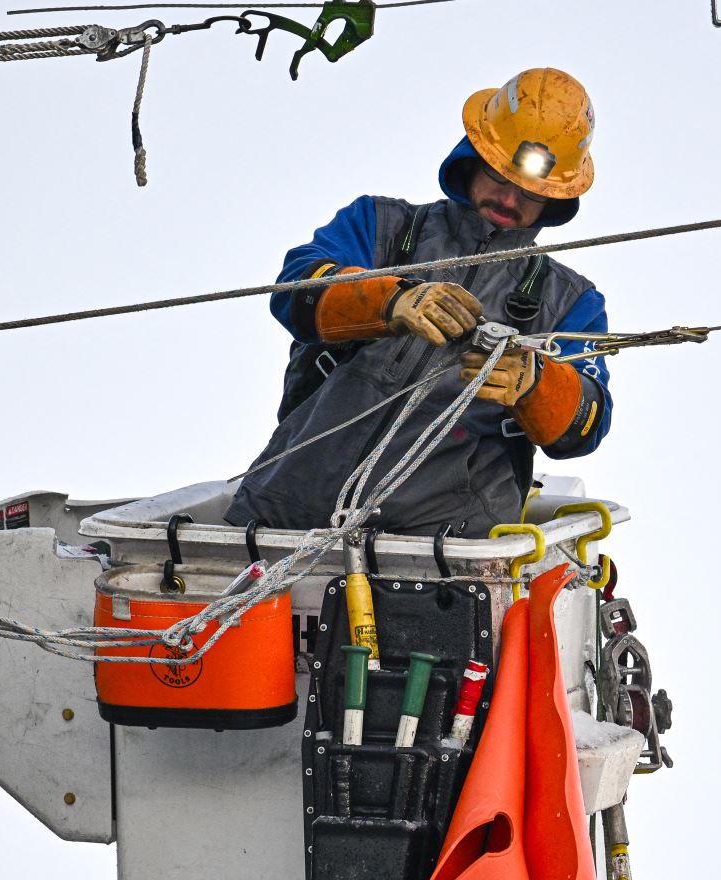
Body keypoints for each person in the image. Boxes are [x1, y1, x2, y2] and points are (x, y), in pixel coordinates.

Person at [225, 68, 613, 537]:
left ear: (553, 199)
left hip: (443, 554)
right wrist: (390, 303)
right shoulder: (381, 226)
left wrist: (534, 383)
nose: (510, 199)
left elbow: (587, 425)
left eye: (531, 192)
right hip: (283, 514)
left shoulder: (568, 300)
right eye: (499, 176)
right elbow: (294, 291)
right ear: (473, 158)